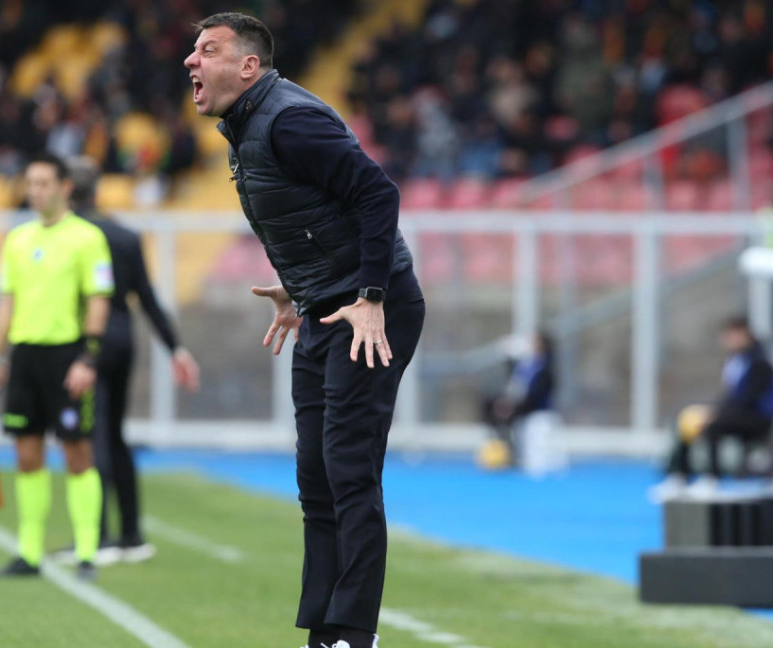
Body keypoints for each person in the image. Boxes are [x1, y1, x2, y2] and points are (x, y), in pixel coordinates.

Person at [185, 14, 426, 648]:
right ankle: (324, 630)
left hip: (371, 308)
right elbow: (317, 214)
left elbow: (377, 194)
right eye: (192, 50)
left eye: (207, 50)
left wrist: (371, 295)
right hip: (324, 305)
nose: (190, 62)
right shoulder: (246, 127)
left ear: (248, 67)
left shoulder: (289, 120)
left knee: (348, 468)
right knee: (315, 474)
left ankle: (353, 633)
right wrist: (298, 289)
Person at [57, 157, 201, 566]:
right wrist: (176, 347)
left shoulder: (71, 236)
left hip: (88, 341)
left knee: (91, 435)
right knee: (115, 433)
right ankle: (132, 534)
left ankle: (98, 537)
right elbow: (149, 299)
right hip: (124, 338)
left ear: (67, 189)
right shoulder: (124, 235)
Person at [0, 152, 114, 581]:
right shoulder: (17, 239)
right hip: (24, 357)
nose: (34, 191)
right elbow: (7, 300)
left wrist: (88, 358)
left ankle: (88, 552)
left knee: (77, 452)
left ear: (65, 187)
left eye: (42, 183)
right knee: (26, 453)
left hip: (67, 356)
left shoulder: (87, 238)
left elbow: (99, 299)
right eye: (30, 183)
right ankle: (29, 552)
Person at [650, 317, 773, 502]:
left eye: (733, 335)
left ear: (744, 334)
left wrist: (718, 414)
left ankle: (712, 478)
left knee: (712, 426)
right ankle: (679, 476)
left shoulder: (759, 361)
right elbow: (731, 395)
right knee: (687, 420)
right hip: (738, 412)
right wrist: (714, 410)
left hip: (758, 418)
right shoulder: (735, 360)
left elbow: (748, 398)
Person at [481, 331, 556, 465]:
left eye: (535, 342)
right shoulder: (528, 366)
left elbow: (534, 393)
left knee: (539, 459)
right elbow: (515, 377)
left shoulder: (545, 367)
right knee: (528, 457)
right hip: (525, 415)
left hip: (539, 415)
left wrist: (513, 407)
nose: (531, 346)